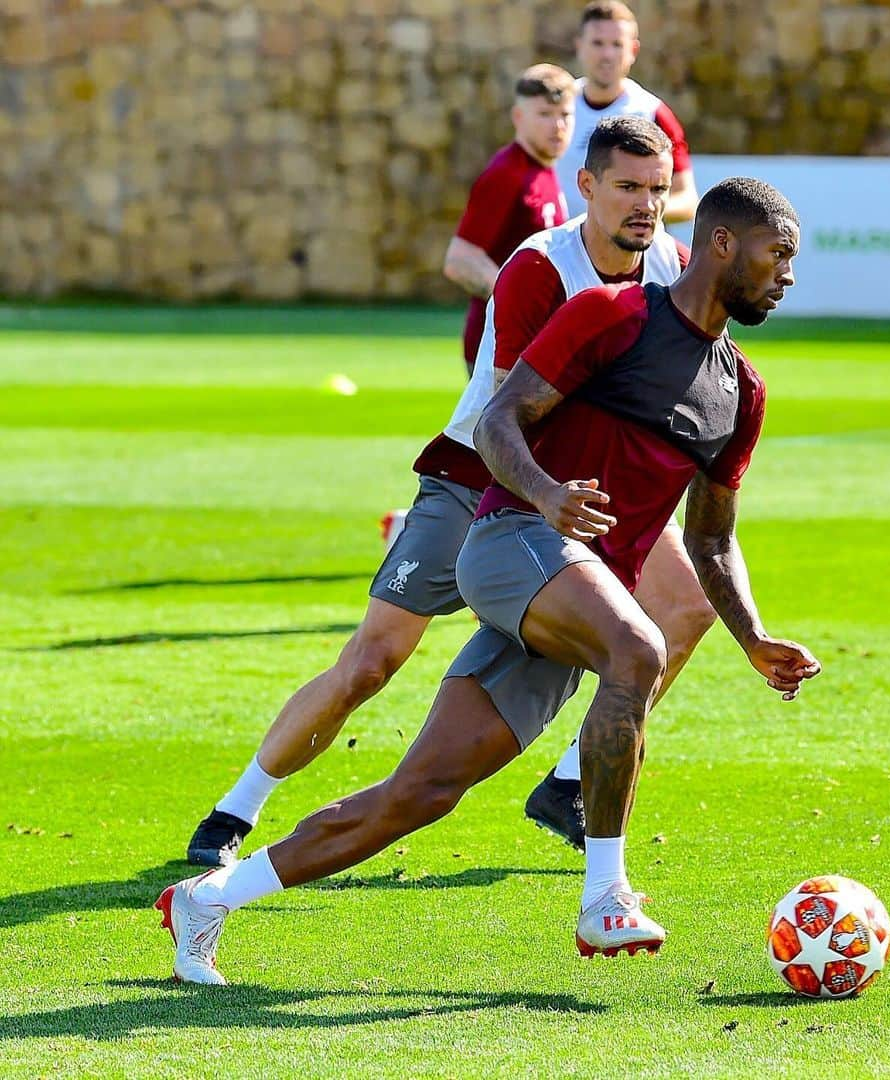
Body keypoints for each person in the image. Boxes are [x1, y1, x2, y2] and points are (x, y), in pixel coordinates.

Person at [157, 176, 821, 984]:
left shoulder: (741, 390)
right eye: (778, 253)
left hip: (577, 594)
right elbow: (500, 418)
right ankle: (605, 897)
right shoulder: (611, 314)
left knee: (421, 793)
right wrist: (545, 495)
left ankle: (209, 899)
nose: (787, 274)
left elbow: (712, 540)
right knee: (639, 649)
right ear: (723, 242)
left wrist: (752, 638)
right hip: (511, 541)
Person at [184, 117, 711, 869]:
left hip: (585, 493)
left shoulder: (671, 266)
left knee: (687, 609)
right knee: (372, 662)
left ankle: (567, 783)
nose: (645, 204)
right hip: (484, 477)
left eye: (658, 190)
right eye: (627, 187)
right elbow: (509, 415)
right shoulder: (540, 268)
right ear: (586, 188)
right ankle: (239, 804)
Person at [442, 64, 575, 376]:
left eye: (565, 115)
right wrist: (520, 301)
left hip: (532, 347)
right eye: (544, 114)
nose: (557, 125)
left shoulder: (543, 170)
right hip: (499, 350)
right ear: (519, 117)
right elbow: (460, 261)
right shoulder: (506, 174)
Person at [556, 2, 698, 223]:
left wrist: (630, 211)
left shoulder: (652, 113)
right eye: (597, 43)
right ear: (579, 46)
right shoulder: (556, 105)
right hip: (561, 250)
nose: (607, 54)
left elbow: (687, 200)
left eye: (616, 44)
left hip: (630, 253)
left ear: (633, 50)